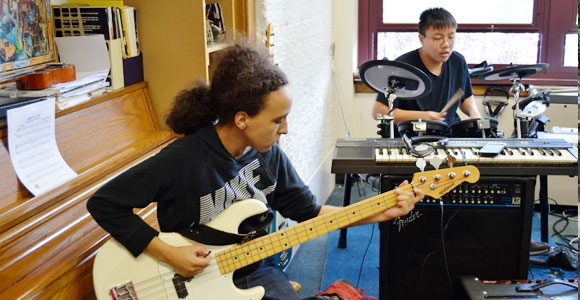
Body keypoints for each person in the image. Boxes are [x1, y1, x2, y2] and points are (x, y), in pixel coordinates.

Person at [87, 40, 424, 300]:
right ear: (242, 118)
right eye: (278, 120)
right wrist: (170, 253)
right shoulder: (185, 158)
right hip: (189, 280)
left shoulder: (268, 156)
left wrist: (380, 212)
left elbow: (311, 212)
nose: (286, 130)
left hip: (251, 271)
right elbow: (104, 203)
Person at [372, 7, 481, 126]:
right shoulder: (403, 67)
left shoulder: (458, 62)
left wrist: (474, 114)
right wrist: (424, 116)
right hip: (412, 136)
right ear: (421, 38)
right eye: (438, 38)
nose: (446, 44)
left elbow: (465, 98)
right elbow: (378, 111)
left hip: (449, 134)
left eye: (450, 37)